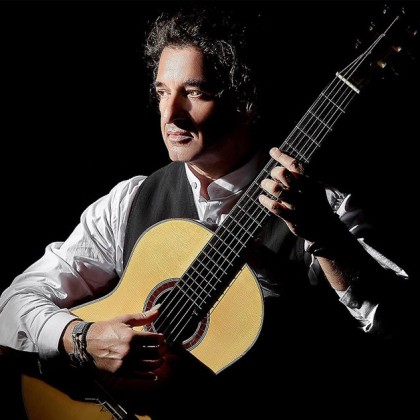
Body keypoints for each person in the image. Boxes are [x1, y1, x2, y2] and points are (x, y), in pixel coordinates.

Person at [0, 5, 416, 420]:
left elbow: (401, 330)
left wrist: (326, 237)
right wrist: (80, 338)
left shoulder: (324, 210)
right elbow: (12, 305)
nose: (170, 115)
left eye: (195, 92)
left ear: (246, 100)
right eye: (162, 92)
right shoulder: (130, 202)